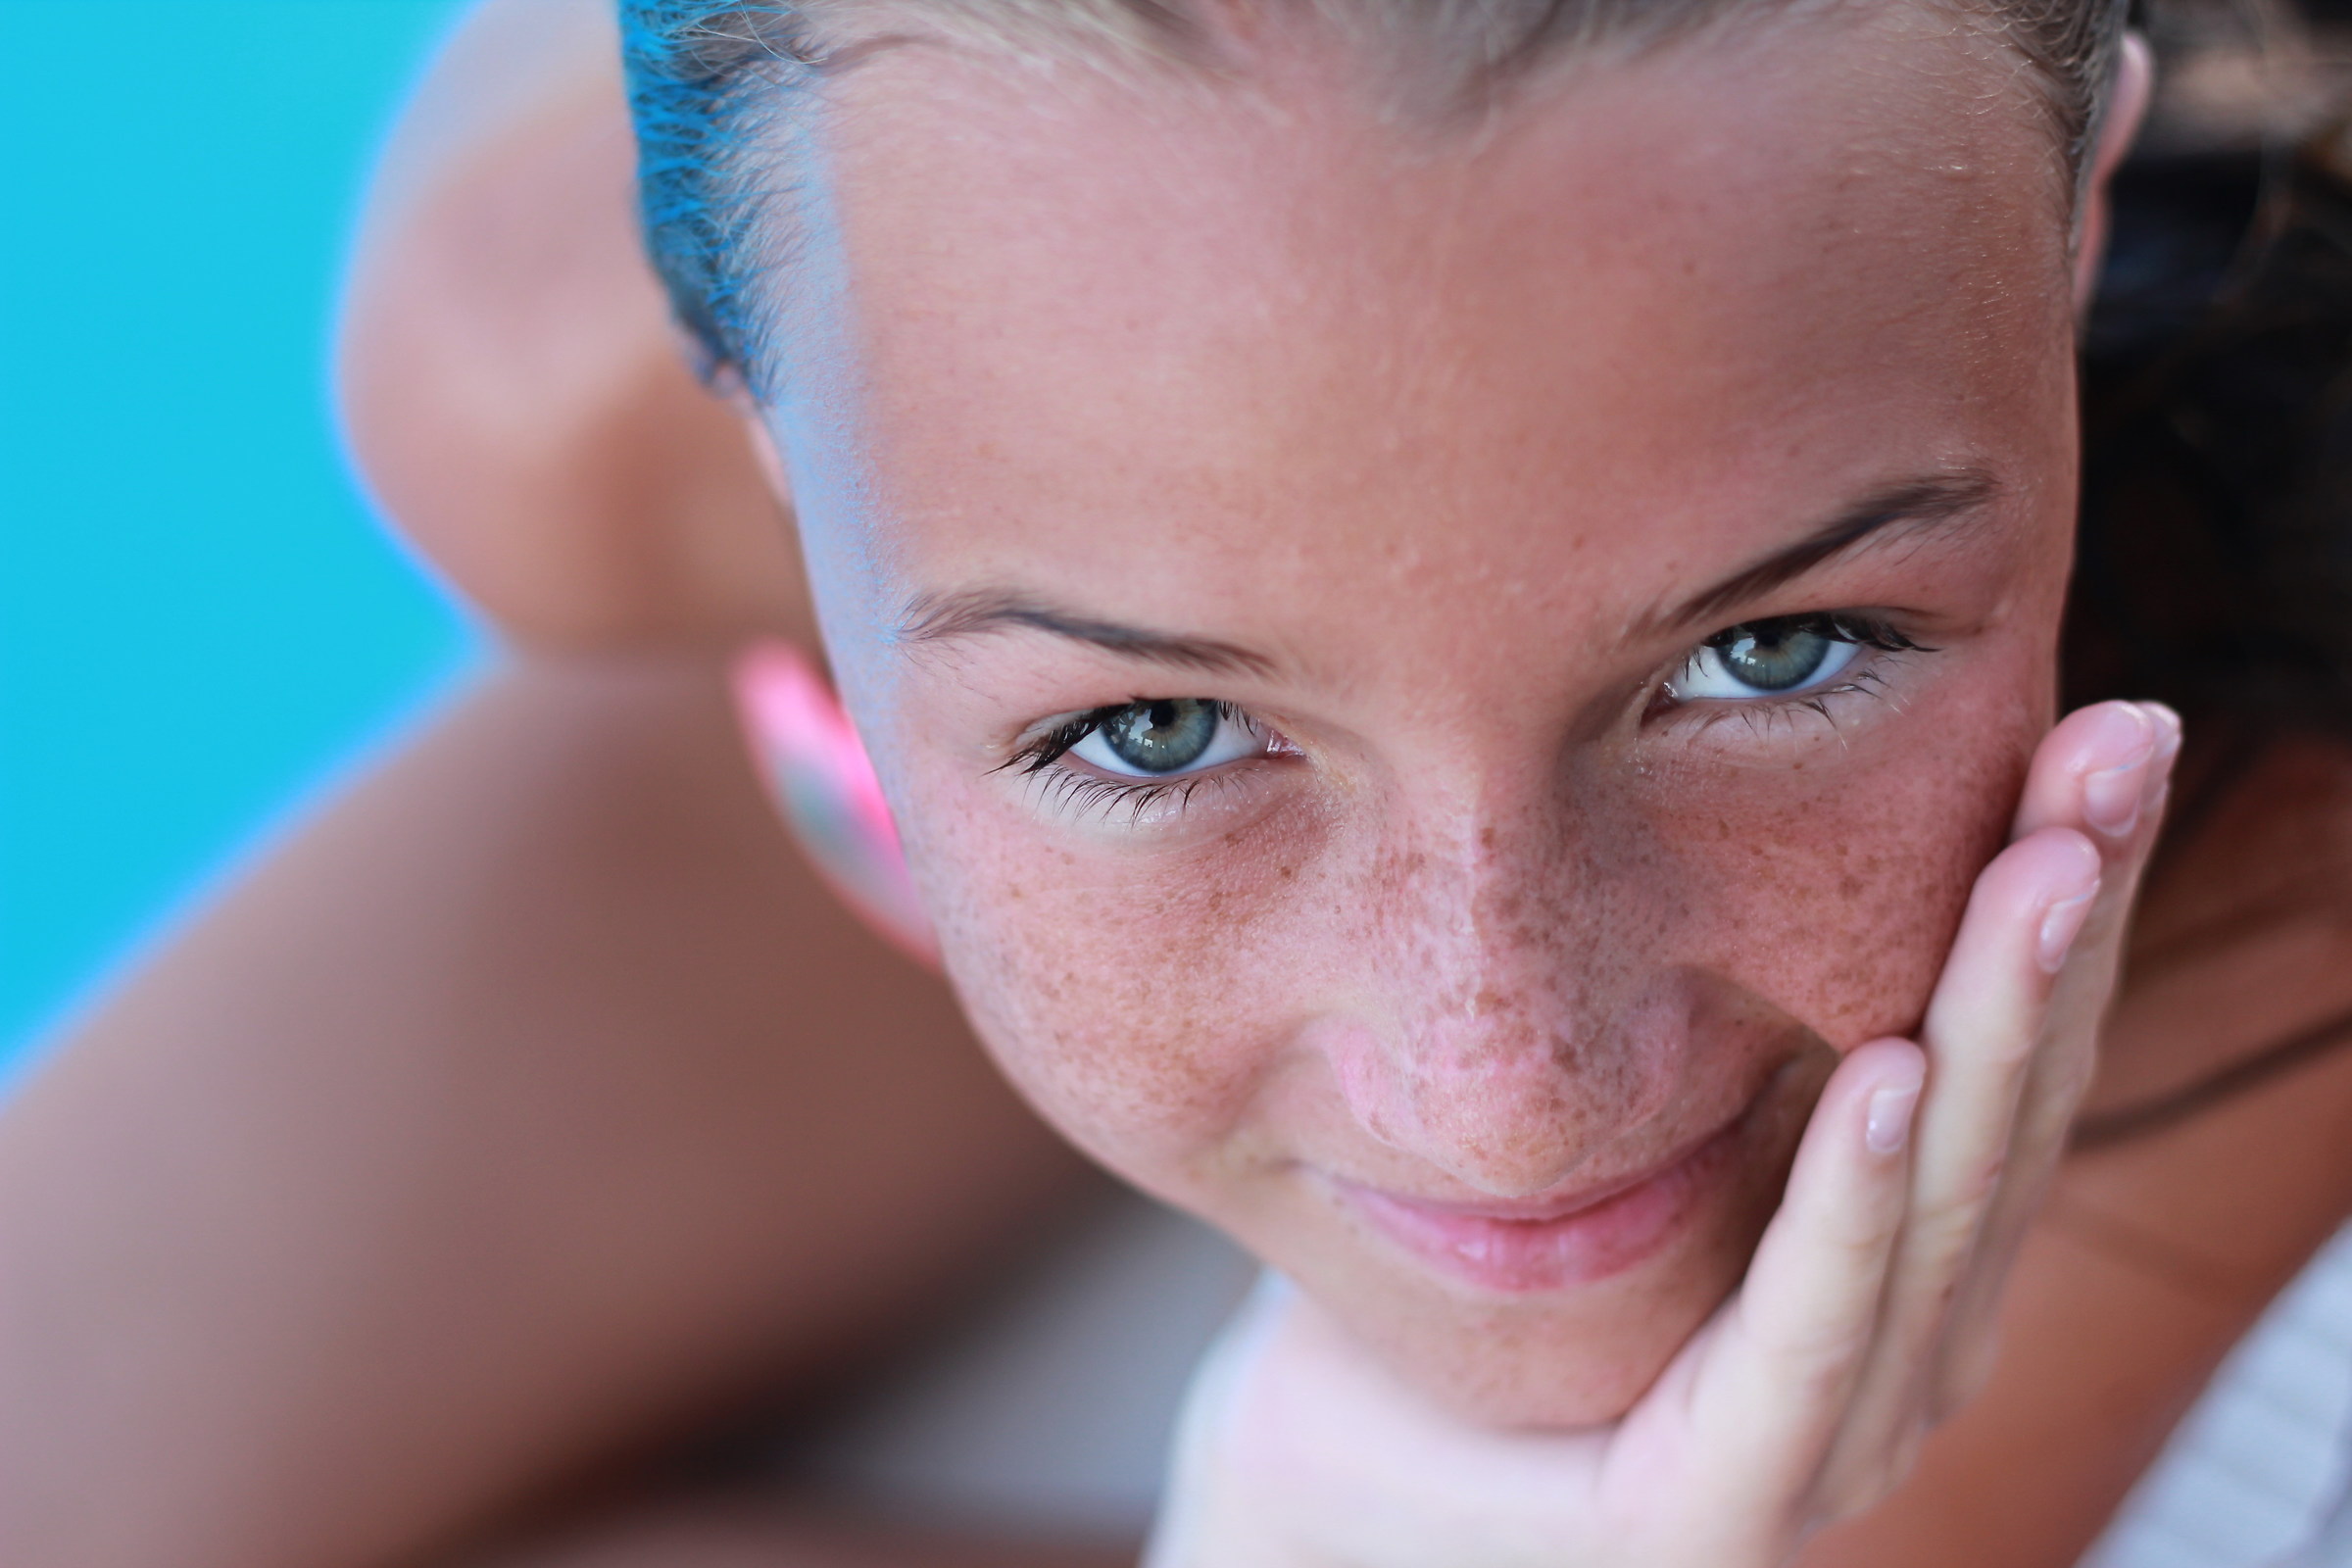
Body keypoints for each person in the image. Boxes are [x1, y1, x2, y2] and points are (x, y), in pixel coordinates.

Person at [8, 0, 2352, 1564]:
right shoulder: (548, 376)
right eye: (1151, 727)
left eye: (1779, 649)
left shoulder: (2264, 785)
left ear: (2072, 214)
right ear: (766, 428)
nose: (1506, 1088)